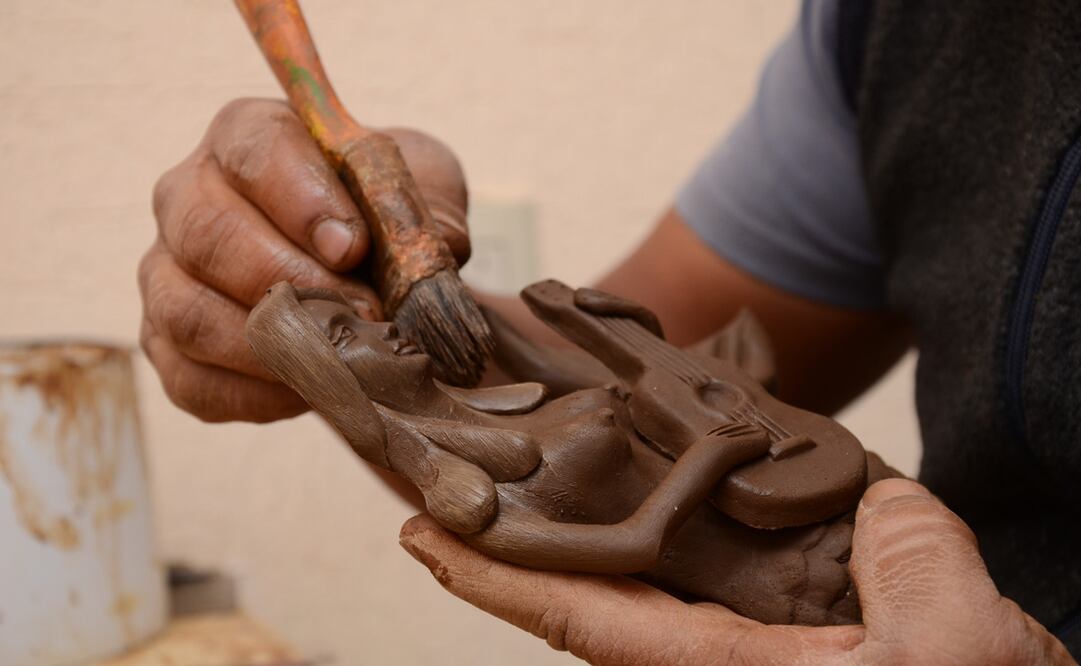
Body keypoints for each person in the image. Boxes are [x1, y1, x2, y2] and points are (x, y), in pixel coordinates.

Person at [138, 0, 1079, 662]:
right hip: (824, 588)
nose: (372, 331)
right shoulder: (901, 25)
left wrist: (594, 335)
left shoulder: (487, 421)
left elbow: (629, 403)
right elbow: (647, 472)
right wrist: (352, 261)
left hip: (863, 560)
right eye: (349, 338)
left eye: (351, 327)